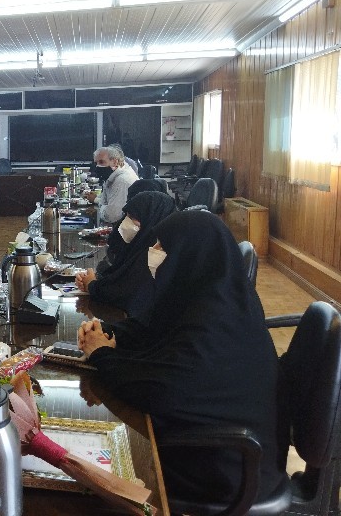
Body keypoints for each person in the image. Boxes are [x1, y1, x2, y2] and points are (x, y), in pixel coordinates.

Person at [78, 210, 285, 507]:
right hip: (209, 444)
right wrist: (109, 332)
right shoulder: (208, 293)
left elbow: (160, 392)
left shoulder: (215, 323)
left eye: (162, 246)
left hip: (227, 468)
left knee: (92, 472)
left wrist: (102, 354)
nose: (154, 252)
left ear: (191, 255)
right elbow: (153, 328)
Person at [75, 191, 176, 320]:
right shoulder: (137, 246)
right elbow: (120, 278)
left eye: (133, 217)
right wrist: (94, 280)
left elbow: (127, 294)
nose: (126, 222)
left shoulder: (157, 255)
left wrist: (92, 285)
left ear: (151, 219)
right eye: (126, 215)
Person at [86, 146, 138, 224]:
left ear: (115, 162)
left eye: (101, 162)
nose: (97, 166)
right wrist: (103, 205)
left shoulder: (122, 180)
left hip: (124, 227)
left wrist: (100, 207)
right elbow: (104, 200)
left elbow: (111, 216)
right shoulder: (112, 176)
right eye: (96, 163)